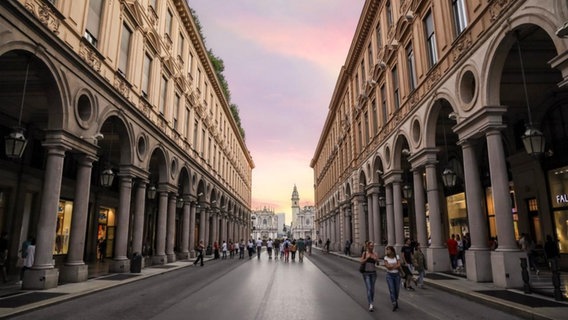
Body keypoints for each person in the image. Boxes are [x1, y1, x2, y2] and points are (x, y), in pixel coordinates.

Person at [360, 241, 379, 312]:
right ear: (368, 246)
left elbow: (378, 263)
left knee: (372, 289)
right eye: (371, 246)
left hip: (373, 273)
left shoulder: (375, 254)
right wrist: (366, 258)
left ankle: (371, 300)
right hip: (366, 273)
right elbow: (361, 262)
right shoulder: (365, 253)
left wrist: (376, 260)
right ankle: (371, 304)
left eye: (373, 246)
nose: (372, 247)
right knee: (369, 288)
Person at [383, 245, 401, 311]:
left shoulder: (397, 256)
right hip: (389, 275)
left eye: (388, 250)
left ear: (392, 250)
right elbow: (388, 267)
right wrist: (394, 265)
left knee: (397, 290)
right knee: (392, 290)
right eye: (387, 250)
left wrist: (392, 266)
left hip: (397, 275)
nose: (387, 251)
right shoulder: (385, 258)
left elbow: (399, 265)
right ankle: (394, 303)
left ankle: (395, 300)